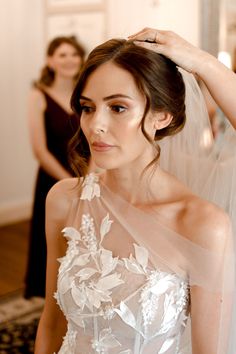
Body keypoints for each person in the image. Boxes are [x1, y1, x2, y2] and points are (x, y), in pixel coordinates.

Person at [34, 28, 236, 353]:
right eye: (87, 107)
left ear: (162, 116)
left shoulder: (201, 223)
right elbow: (52, 322)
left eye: (117, 108)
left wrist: (202, 62)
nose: (95, 124)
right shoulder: (63, 199)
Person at [24, 36, 86, 299]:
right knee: (52, 244)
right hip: (54, 181)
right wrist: (69, 184)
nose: (69, 59)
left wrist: (88, 178)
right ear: (51, 61)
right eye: (62, 54)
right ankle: (50, 299)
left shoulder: (84, 95)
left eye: (74, 54)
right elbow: (39, 150)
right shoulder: (37, 95)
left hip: (87, 176)